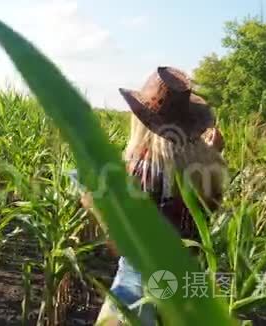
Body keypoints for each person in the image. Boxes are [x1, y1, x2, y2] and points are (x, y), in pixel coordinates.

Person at [80, 67, 226, 325]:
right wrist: (214, 154)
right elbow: (205, 211)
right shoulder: (207, 166)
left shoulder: (140, 167)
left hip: (140, 280)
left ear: (143, 120)